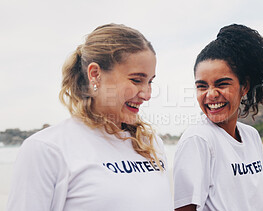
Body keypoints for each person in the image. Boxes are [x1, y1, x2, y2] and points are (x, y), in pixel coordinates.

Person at [7, 24, 173, 211]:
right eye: (136, 80)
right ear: (95, 74)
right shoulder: (46, 149)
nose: (147, 94)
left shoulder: (151, 144)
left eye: (150, 81)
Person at [173, 24, 263, 211]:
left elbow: (254, 201)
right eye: (202, 86)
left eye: (222, 84)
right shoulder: (198, 140)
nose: (211, 94)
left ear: (244, 86)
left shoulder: (251, 135)